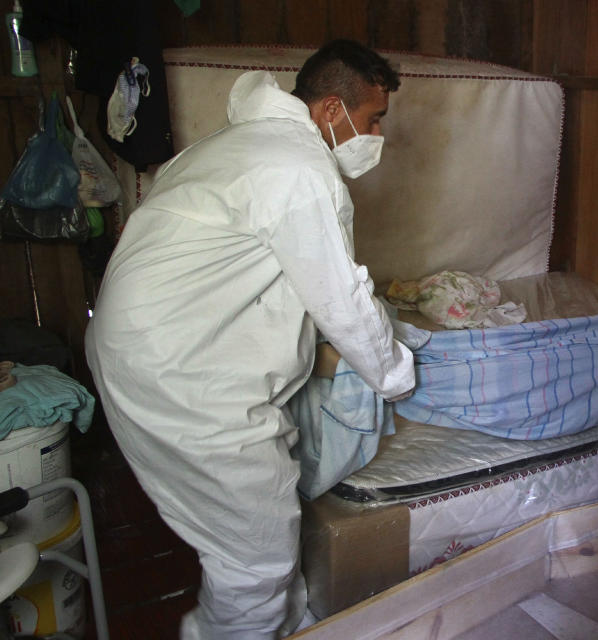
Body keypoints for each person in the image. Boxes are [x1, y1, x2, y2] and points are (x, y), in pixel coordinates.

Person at [85, 40, 415, 639]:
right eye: (373, 120)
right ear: (332, 111)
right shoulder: (299, 169)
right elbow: (342, 300)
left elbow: (259, 272)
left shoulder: (225, 146)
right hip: (179, 374)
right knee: (254, 559)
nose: (375, 136)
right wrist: (396, 374)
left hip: (141, 350)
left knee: (262, 532)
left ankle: (286, 627)